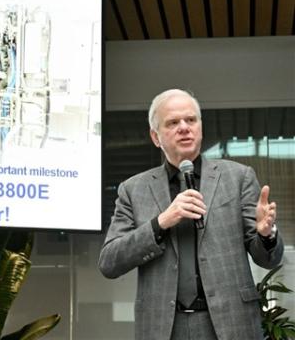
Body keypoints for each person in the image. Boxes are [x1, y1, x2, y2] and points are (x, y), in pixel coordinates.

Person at [98, 89, 283, 340]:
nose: (184, 128)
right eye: (173, 122)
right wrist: (160, 223)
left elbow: (268, 259)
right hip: (163, 327)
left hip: (230, 323)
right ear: (155, 137)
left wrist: (266, 235)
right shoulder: (133, 189)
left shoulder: (238, 177)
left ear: (200, 128)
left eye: (191, 120)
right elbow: (109, 262)